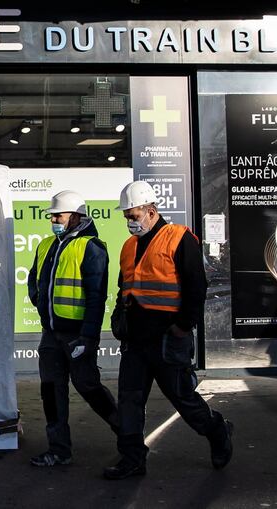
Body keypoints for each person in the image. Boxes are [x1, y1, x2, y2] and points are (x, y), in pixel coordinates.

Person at [104, 181, 233, 480]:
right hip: (136, 340)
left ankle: (217, 430)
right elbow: (125, 286)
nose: (129, 222)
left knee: (183, 399)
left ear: (151, 211)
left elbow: (196, 285)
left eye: (132, 215)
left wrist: (183, 326)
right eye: (126, 216)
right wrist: (118, 317)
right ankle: (132, 458)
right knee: (130, 400)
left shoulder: (178, 238)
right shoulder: (129, 246)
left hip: (167, 337)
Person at [27, 190, 118, 467]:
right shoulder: (46, 245)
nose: (53, 219)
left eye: (58, 215)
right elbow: (35, 281)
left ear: (76, 217)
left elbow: (96, 297)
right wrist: (43, 306)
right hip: (51, 335)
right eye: (52, 215)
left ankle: (129, 436)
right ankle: (59, 450)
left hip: (77, 335)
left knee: (88, 387)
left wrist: (88, 337)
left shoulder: (92, 247)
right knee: (51, 392)